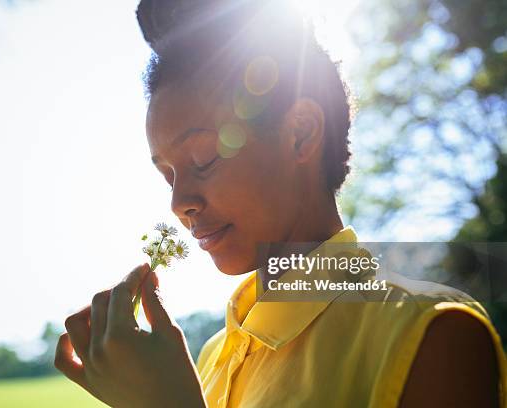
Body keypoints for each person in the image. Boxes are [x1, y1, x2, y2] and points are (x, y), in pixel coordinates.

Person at [54, 0, 506, 406]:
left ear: (301, 133)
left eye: (204, 160)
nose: (179, 202)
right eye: (166, 175)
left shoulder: (435, 338)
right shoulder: (209, 359)